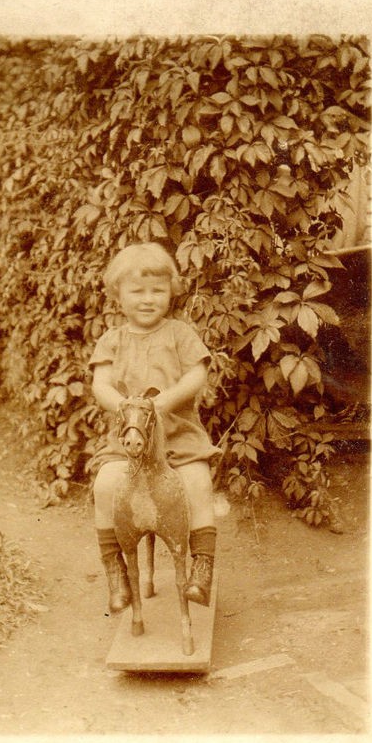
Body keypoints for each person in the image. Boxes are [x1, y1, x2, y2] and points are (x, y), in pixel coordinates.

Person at [89, 241, 219, 613]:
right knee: (105, 484)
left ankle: (202, 567)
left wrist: (165, 400)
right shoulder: (112, 340)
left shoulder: (179, 333)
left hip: (178, 435)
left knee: (197, 482)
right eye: (137, 291)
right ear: (118, 294)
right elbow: (101, 384)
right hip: (128, 438)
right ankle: (115, 569)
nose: (148, 299)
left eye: (157, 290)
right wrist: (128, 407)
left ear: (171, 293)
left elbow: (197, 373)